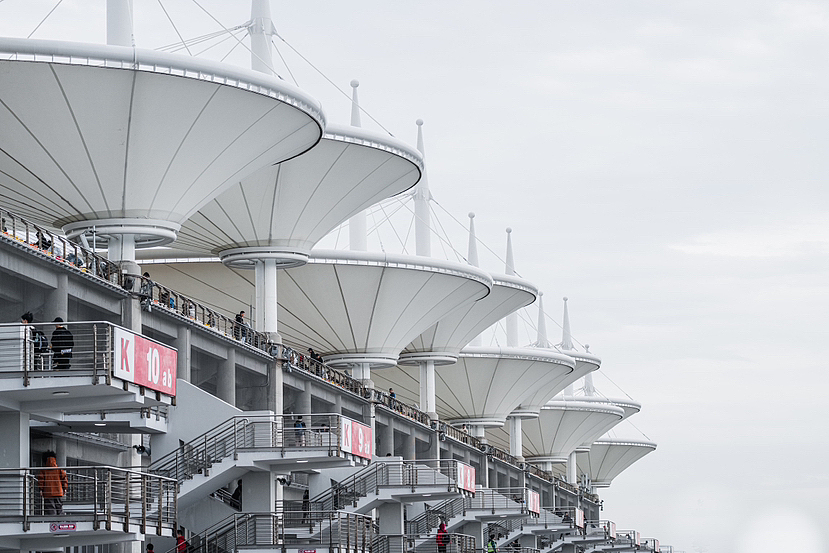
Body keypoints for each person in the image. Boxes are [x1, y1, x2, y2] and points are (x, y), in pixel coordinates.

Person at [38, 450, 67, 515]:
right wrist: (64, 488)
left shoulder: (43, 471)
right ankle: (60, 521)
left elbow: (41, 480)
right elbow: (64, 479)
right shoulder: (59, 470)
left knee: (50, 508)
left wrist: (41, 489)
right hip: (58, 491)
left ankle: (53, 521)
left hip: (48, 492)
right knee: (59, 507)